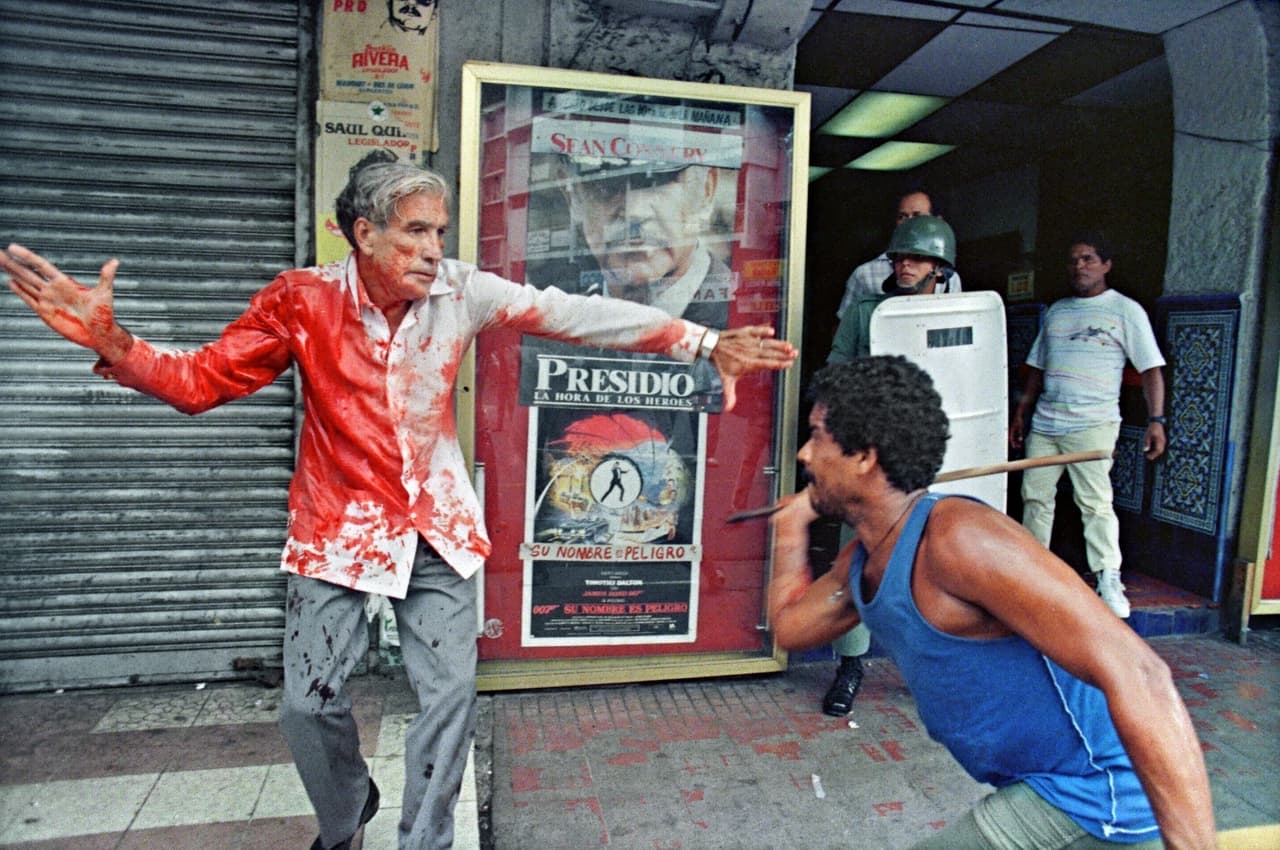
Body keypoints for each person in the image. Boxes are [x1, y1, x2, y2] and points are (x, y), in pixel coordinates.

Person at [0, 161, 796, 850]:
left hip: (437, 525)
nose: (431, 250)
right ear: (362, 233)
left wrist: (698, 342)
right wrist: (117, 345)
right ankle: (348, 809)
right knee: (305, 704)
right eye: (413, 232)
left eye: (439, 231)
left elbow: (572, 312)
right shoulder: (301, 301)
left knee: (449, 699)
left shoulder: (461, 292)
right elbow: (202, 382)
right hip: (336, 526)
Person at [769, 356, 1216, 850]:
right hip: (1040, 786)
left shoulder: (961, 540)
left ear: (865, 456)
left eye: (816, 437)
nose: (804, 455)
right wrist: (791, 529)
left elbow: (1143, 675)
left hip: (1095, 794)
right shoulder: (865, 559)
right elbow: (790, 629)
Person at [815, 213, 958, 715]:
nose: (903, 264)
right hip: (871, 460)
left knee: (933, 567)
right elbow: (834, 373)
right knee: (859, 562)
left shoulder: (959, 318)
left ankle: (930, 670)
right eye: (899, 256)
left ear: (939, 268)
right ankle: (850, 665)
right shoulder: (865, 314)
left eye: (916, 257)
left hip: (936, 459)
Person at [1009, 231, 1166, 619]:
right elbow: (1037, 369)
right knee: (1035, 497)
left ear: (1107, 265)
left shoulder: (1126, 311)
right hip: (1047, 422)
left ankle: (1108, 578)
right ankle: (1033, 575)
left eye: (1089, 259)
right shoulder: (1058, 311)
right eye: (1074, 260)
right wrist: (1020, 415)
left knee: (1094, 503)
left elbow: (1151, 370)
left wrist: (1156, 421)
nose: (1079, 266)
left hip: (1093, 424)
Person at [559, 156, 732, 328]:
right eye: (606, 186)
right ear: (573, 198)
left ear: (705, 191)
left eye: (657, 182)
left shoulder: (746, 318)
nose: (634, 212)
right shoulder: (564, 322)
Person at [836, 187, 962, 319]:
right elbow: (844, 327)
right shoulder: (864, 274)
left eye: (917, 216)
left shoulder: (951, 279)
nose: (908, 222)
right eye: (902, 216)